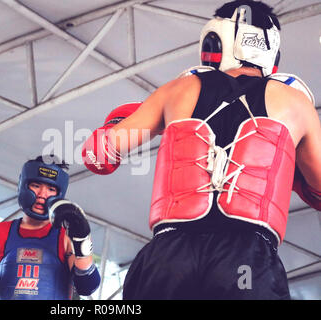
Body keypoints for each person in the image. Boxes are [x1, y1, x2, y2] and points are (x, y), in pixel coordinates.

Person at [82, 0, 320, 299]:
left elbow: (96, 156)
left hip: (168, 257)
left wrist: (119, 124)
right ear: (270, 48)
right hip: (246, 258)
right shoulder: (295, 104)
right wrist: (286, 170)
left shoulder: (177, 90)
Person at [0, 155, 100, 300]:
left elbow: (86, 286)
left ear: (59, 194)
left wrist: (82, 244)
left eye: (51, 189)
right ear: (23, 185)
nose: (42, 195)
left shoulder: (66, 235)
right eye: (36, 186)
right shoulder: (2, 231)